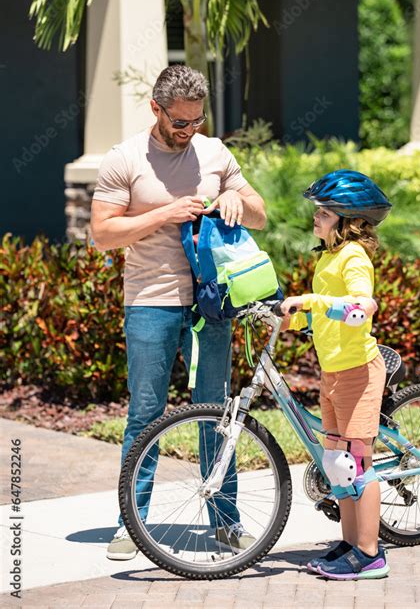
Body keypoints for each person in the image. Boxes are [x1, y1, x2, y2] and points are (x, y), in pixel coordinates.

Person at [91, 65, 266, 560]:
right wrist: (163, 215)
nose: (189, 131)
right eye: (180, 123)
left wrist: (235, 196)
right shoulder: (124, 158)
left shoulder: (214, 152)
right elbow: (102, 234)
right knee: (145, 413)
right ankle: (131, 522)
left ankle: (226, 524)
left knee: (218, 411)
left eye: (197, 120)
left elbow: (260, 212)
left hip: (214, 298)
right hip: (150, 299)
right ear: (156, 110)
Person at [279, 169, 392, 581]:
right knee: (336, 463)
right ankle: (350, 545)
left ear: (349, 221)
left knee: (358, 464)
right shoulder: (327, 257)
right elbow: (324, 316)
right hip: (332, 373)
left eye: (325, 211)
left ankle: (371, 554)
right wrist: (283, 317)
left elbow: (363, 306)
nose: (317, 215)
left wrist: (309, 300)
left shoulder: (353, 257)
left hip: (359, 372)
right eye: (318, 209)